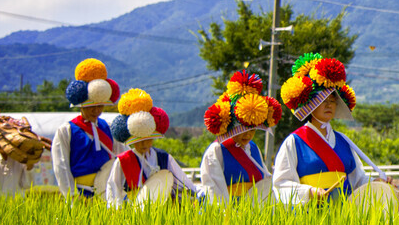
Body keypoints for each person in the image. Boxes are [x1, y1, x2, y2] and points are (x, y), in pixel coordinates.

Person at [272, 53, 378, 204]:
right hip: (310, 212)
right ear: (310, 104)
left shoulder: (344, 141)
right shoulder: (294, 142)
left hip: (344, 214)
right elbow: (281, 183)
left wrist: (377, 182)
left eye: (333, 101)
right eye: (323, 100)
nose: (329, 105)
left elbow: (358, 179)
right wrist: (309, 192)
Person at [105, 88, 199, 207]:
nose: (144, 144)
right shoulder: (123, 161)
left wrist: (195, 197)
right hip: (134, 211)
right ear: (132, 141)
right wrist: (115, 209)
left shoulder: (164, 158)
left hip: (164, 210)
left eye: (148, 140)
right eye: (139, 141)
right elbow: (113, 188)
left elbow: (183, 182)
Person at [199, 70, 282, 204]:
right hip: (229, 214)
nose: (248, 134)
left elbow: (265, 182)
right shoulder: (217, 150)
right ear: (231, 126)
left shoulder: (253, 148)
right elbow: (214, 191)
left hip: (254, 215)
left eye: (253, 130)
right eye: (243, 129)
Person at [52, 58, 123, 199]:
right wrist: (72, 196)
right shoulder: (66, 130)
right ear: (81, 105)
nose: (96, 110)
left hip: (108, 194)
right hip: (81, 194)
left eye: (100, 106)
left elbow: (121, 158)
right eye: (91, 106)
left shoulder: (108, 128)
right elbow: (61, 166)